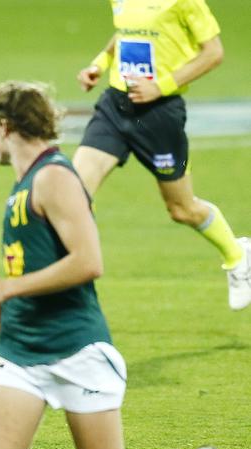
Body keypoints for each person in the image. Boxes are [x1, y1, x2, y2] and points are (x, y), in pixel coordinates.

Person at [0, 80, 237, 449]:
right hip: (22, 351)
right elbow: (43, 258)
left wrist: (8, 289)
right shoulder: (25, 182)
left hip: (76, 348)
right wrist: (12, 297)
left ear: (5, 126)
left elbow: (88, 262)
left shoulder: (54, 177)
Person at [73, 0, 251, 311]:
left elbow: (213, 53)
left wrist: (161, 86)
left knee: (182, 209)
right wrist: (99, 64)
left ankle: (238, 256)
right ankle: (70, 287)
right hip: (116, 107)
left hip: (159, 114)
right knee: (74, 193)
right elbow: (127, 33)